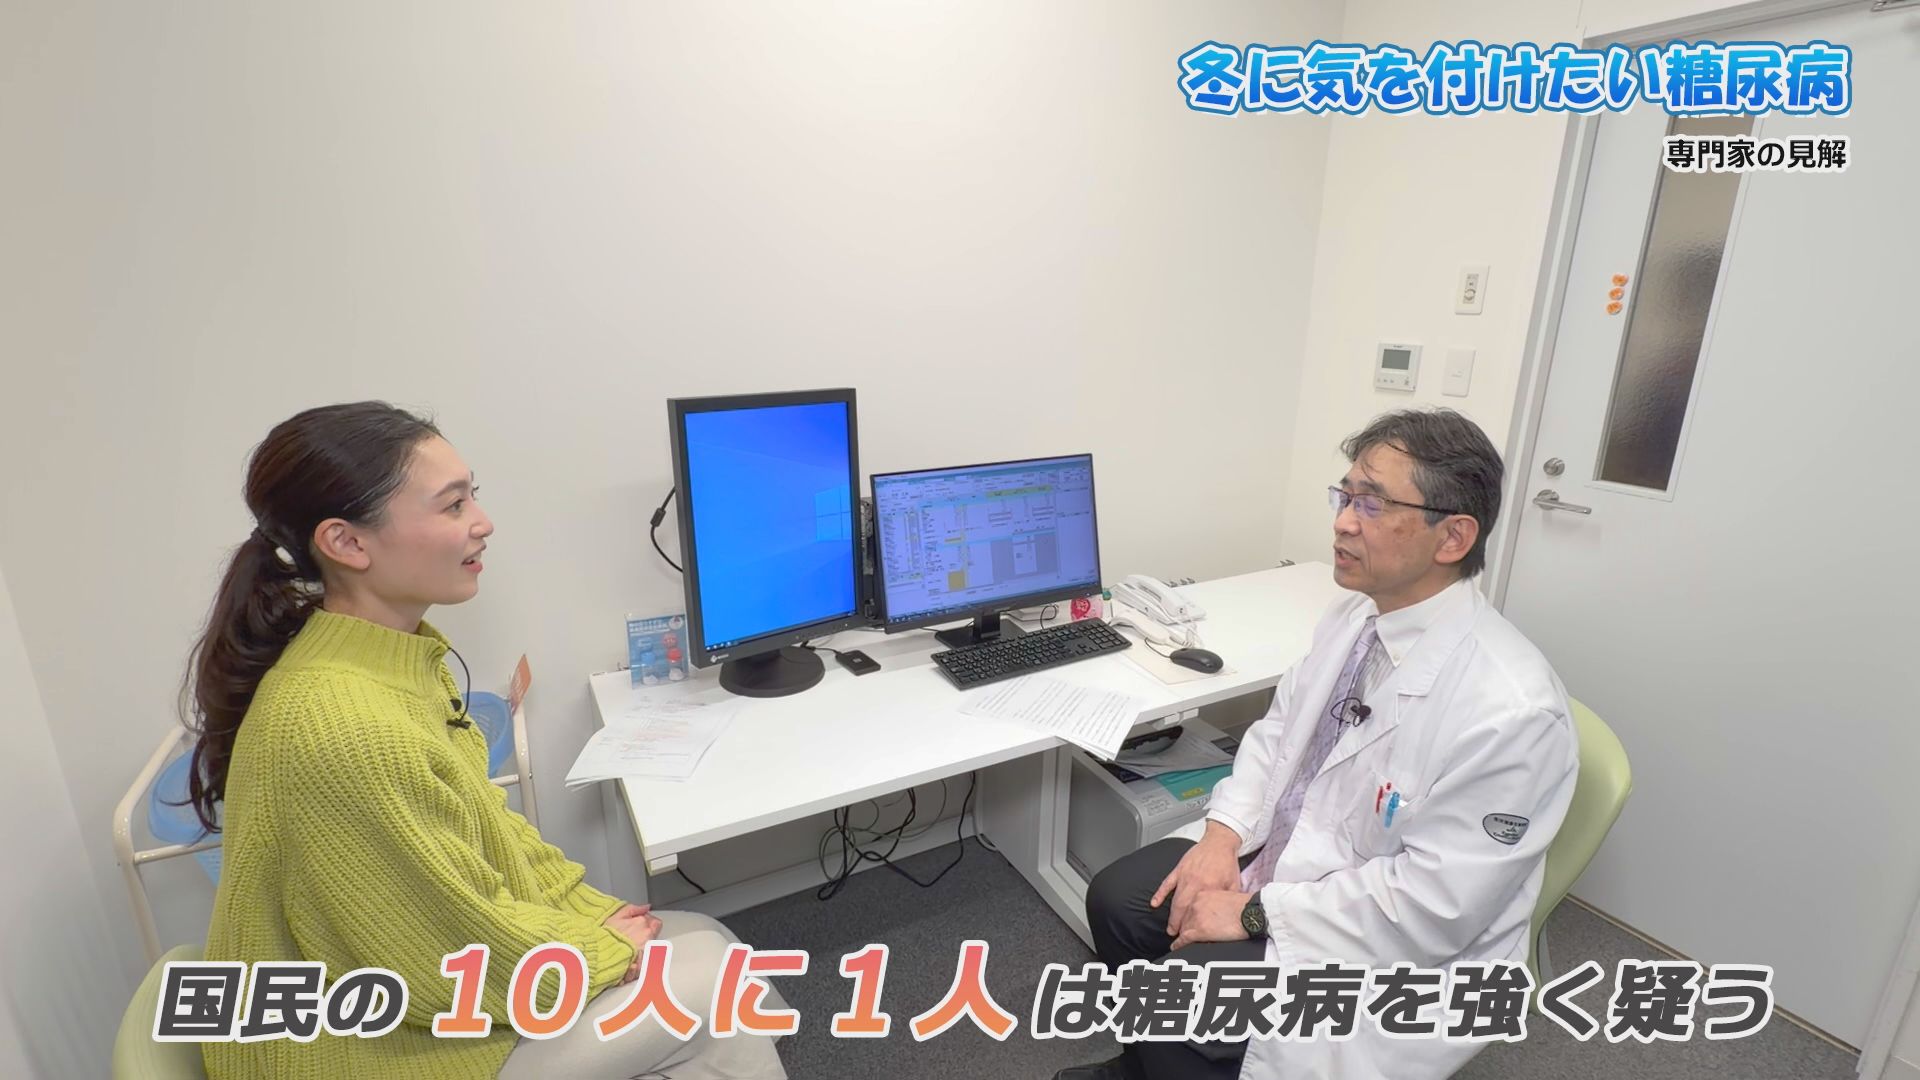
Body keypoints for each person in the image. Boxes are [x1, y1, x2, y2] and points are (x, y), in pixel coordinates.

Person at [187, 401, 785, 1080]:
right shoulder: (343, 726)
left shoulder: (395, 664)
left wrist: (588, 912)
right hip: (357, 1049)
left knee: (707, 939)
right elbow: (440, 958)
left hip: (421, 983)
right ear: (347, 543)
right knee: (710, 987)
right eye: (452, 505)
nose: (483, 522)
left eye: (472, 495)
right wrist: (598, 951)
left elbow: (488, 840)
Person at [1053, 408, 1579, 1080]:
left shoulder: (1512, 713)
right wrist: (1219, 838)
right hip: (1289, 858)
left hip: (1390, 938)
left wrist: (1250, 913)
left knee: (1195, 989)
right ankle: (1149, 1065)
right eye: (1345, 495)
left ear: (1453, 536)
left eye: (1372, 503)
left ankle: (1184, 1057)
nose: (1343, 522)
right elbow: (1277, 736)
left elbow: (1433, 908)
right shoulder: (1358, 614)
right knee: (1119, 900)